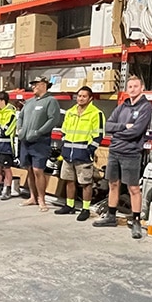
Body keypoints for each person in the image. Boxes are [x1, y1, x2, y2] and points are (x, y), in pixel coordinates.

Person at [95, 75, 152, 238]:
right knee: (113, 184)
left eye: (135, 86)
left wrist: (118, 134)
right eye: (130, 87)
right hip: (115, 151)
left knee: (133, 188)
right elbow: (108, 125)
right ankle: (111, 216)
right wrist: (123, 127)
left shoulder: (145, 107)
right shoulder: (123, 106)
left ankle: (136, 221)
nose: (132, 89)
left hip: (131, 153)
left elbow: (137, 131)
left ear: (142, 88)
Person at [54, 86, 105, 222]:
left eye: (84, 96)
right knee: (69, 180)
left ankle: (85, 209)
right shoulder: (70, 112)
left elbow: (98, 135)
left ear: (90, 98)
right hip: (68, 154)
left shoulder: (96, 113)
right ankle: (69, 205)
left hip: (83, 154)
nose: (80, 98)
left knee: (86, 183)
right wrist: (64, 146)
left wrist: (89, 151)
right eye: (79, 95)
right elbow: (63, 131)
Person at [17, 76, 62, 211]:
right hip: (25, 141)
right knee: (29, 169)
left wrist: (39, 132)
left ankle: (41, 199)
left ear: (43, 85)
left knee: (38, 170)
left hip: (40, 142)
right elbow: (20, 116)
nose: (33, 87)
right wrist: (19, 129)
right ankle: (32, 197)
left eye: (35, 84)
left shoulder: (51, 101)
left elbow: (53, 119)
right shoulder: (29, 102)